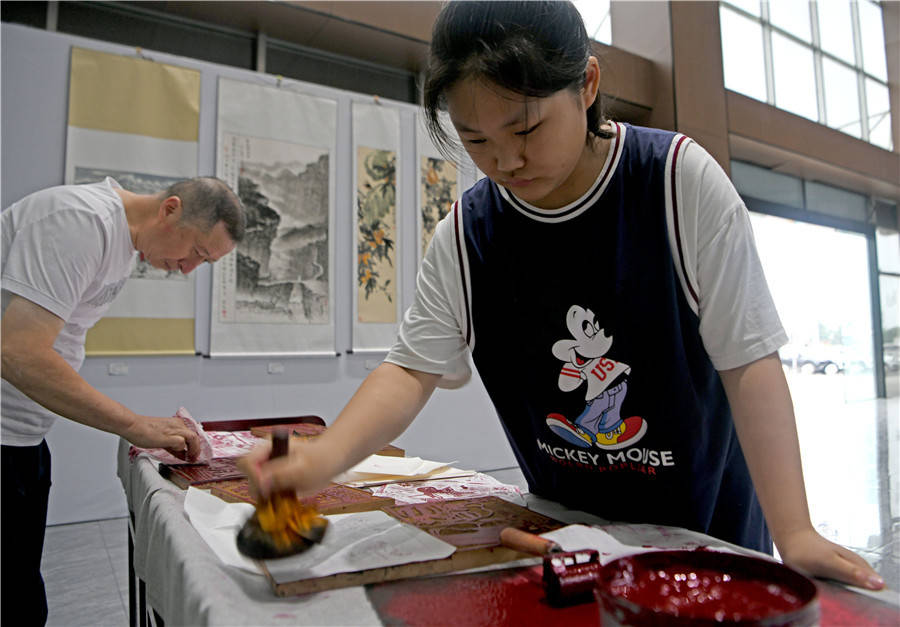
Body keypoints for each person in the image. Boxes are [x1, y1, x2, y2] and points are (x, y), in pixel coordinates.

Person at [240, 0, 884, 591]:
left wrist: (795, 531)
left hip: (705, 528)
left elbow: (750, 362)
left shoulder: (675, 182)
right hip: (567, 532)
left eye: (525, 128)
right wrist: (325, 459)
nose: (506, 161)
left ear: (588, 86)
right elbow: (410, 369)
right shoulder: (468, 234)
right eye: (477, 141)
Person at [1, 175, 246, 625]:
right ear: (170, 209)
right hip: (4, 438)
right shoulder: (80, 222)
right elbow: (18, 352)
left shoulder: (119, 244)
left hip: (23, 437)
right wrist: (134, 424)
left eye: (204, 262)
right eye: (195, 251)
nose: (189, 268)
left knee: (20, 591)